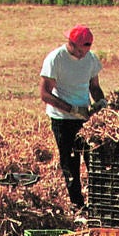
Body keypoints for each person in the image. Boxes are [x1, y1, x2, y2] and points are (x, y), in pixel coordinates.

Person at [40, 24, 105, 208]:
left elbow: (94, 87)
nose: (82, 54)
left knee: (94, 162)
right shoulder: (56, 59)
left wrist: (101, 102)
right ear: (72, 43)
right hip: (62, 120)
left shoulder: (90, 59)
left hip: (85, 119)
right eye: (80, 50)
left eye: (86, 50)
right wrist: (72, 109)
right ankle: (77, 204)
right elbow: (45, 94)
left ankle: (98, 204)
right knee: (71, 163)